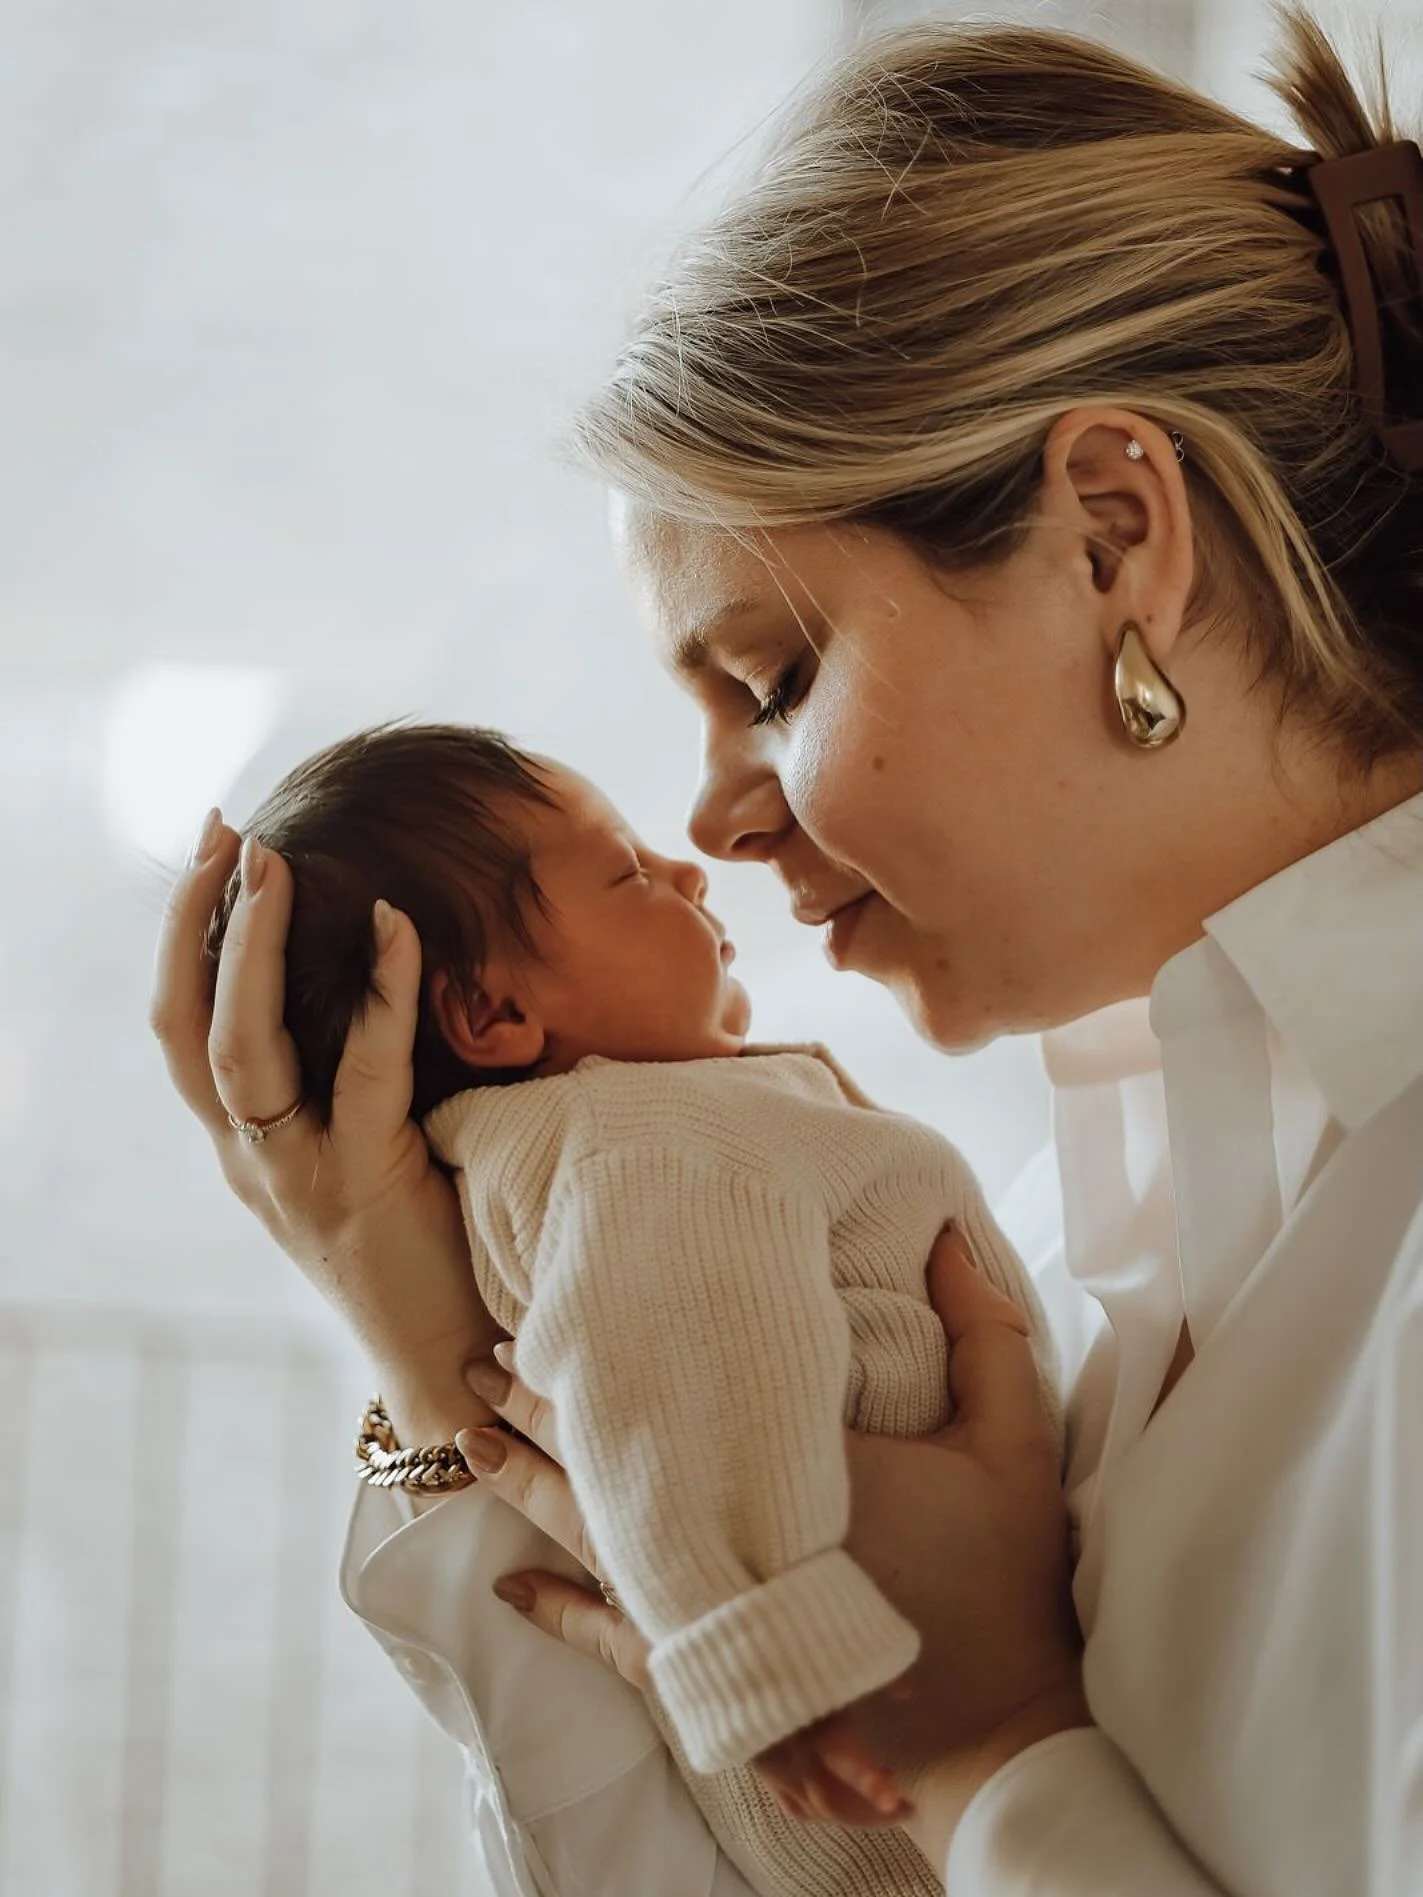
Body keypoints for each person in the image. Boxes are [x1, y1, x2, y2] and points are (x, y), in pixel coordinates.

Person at [152, 10, 1423, 1896]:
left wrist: (992, 1748)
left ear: (1109, 537)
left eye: (776, 677)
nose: (719, 824)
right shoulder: (1052, 1252)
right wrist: (432, 1354)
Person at [202, 720, 1059, 1896]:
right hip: (895, 1752)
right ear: (492, 1017)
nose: (691, 867)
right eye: (629, 872)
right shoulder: (639, 1144)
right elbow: (679, 1395)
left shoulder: (621, 1145)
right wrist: (769, 1668)